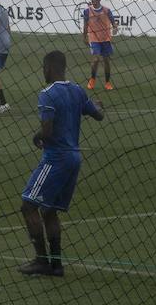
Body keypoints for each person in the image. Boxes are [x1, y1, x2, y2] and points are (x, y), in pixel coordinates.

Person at [19, 51, 104, 277]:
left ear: (49, 68)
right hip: (74, 158)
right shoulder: (77, 90)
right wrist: (98, 105)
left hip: (56, 158)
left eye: (43, 68)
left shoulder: (47, 94)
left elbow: (47, 130)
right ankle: (56, 265)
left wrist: (37, 137)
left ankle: (41, 260)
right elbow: (98, 115)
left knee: (28, 206)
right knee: (49, 210)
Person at [83, 0, 119, 91]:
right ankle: (92, 79)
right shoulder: (87, 11)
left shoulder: (107, 10)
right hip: (94, 39)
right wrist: (84, 37)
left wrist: (115, 28)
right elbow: (85, 25)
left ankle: (107, 82)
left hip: (106, 39)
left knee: (106, 61)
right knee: (96, 59)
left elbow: (113, 22)